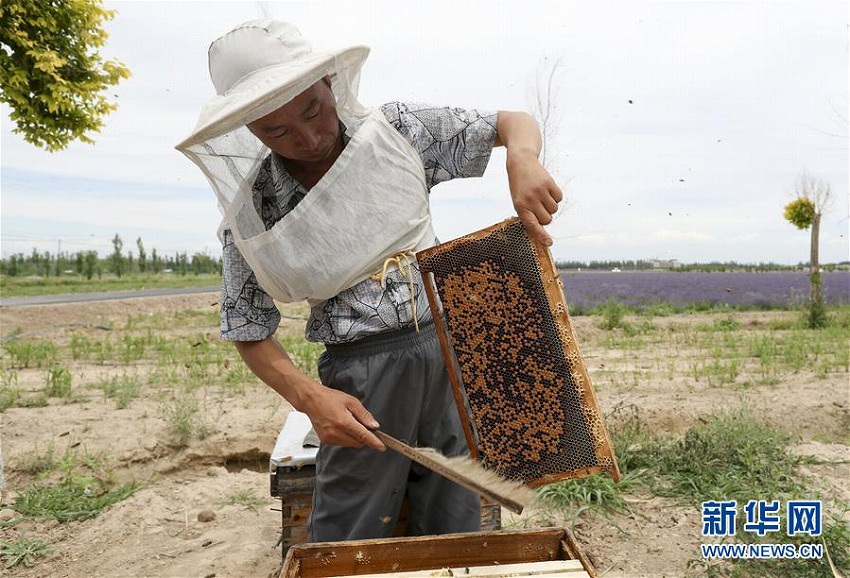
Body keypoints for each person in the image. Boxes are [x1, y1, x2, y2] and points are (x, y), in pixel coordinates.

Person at [176, 19, 562, 542]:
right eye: (278, 131)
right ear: (249, 130)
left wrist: (522, 157)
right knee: (351, 528)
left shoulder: (397, 131)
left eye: (312, 111)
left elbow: (512, 123)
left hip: (452, 352)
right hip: (361, 376)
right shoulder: (256, 209)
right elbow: (247, 326)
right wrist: (312, 400)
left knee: (458, 515)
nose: (309, 137)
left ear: (330, 84)